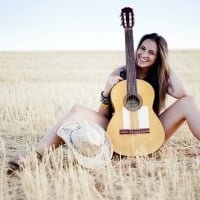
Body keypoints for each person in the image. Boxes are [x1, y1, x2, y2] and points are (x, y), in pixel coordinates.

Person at [7, 33, 200, 174]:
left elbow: (182, 94)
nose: (144, 54)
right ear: (136, 48)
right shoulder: (120, 72)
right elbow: (105, 114)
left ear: (159, 57)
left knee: (189, 102)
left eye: (152, 52)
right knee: (77, 110)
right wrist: (107, 93)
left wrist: (165, 65)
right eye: (142, 48)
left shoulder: (160, 76)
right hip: (118, 134)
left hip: (150, 135)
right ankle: (34, 157)